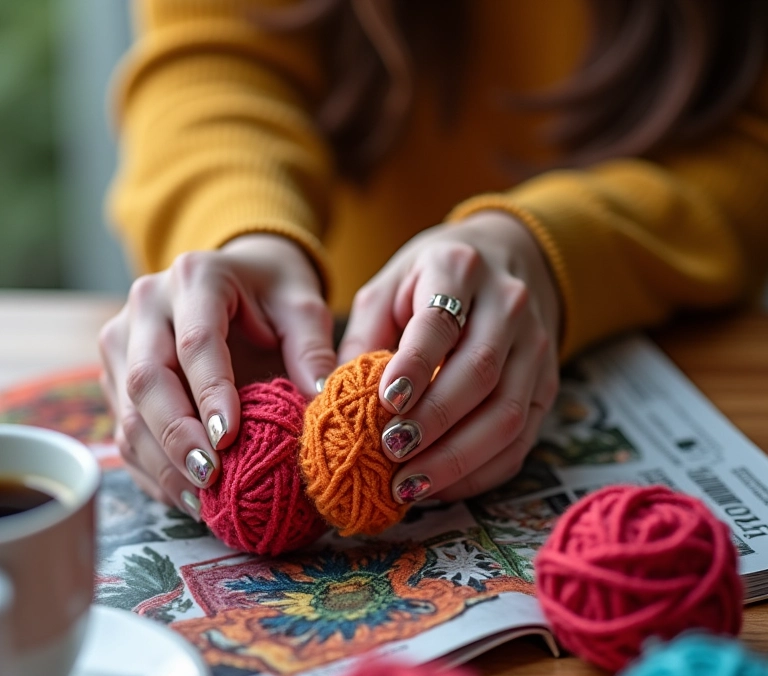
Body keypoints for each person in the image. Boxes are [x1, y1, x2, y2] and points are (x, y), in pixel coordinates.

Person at [99, 0, 768, 522]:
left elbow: (752, 142)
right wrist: (240, 232)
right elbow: (212, 64)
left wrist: (545, 245)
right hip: (299, 334)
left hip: (668, 345)